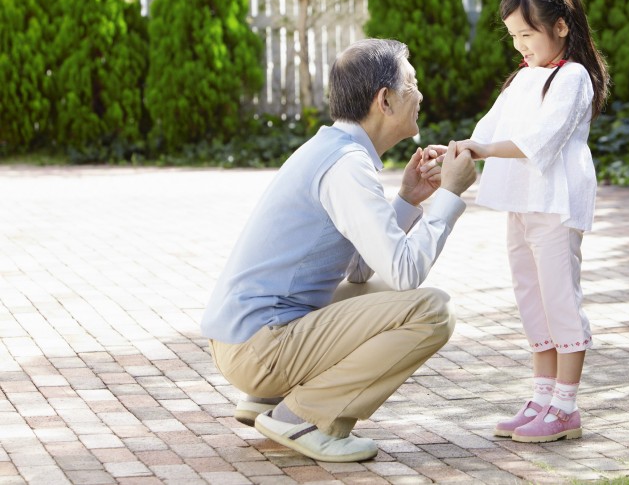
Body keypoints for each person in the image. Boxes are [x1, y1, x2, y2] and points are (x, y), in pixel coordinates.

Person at [201, 38, 477, 463]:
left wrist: (407, 199)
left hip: (249, 342)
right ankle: (302, 416)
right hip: (260, 347)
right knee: (432, 311)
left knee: (389, 296)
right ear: (384, 100)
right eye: (413, 83)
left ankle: (267, 397)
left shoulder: (334, 150)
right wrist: (450, 196)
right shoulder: (347, 164)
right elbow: (405, 272)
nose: (420, 95)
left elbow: (362, 273)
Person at [456, 0, 609, 443]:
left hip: (556, 206)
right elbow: (489, 127)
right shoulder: (526, 77)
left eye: (527, 34)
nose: (520, 45)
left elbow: (539, 141)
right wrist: (458, 149)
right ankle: (541, 397)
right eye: (513, 36)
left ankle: (566, 406)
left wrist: (481, 150)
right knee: (531, 298)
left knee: (560, 299)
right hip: (523, 205)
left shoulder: (573, 77)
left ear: (561, 26)